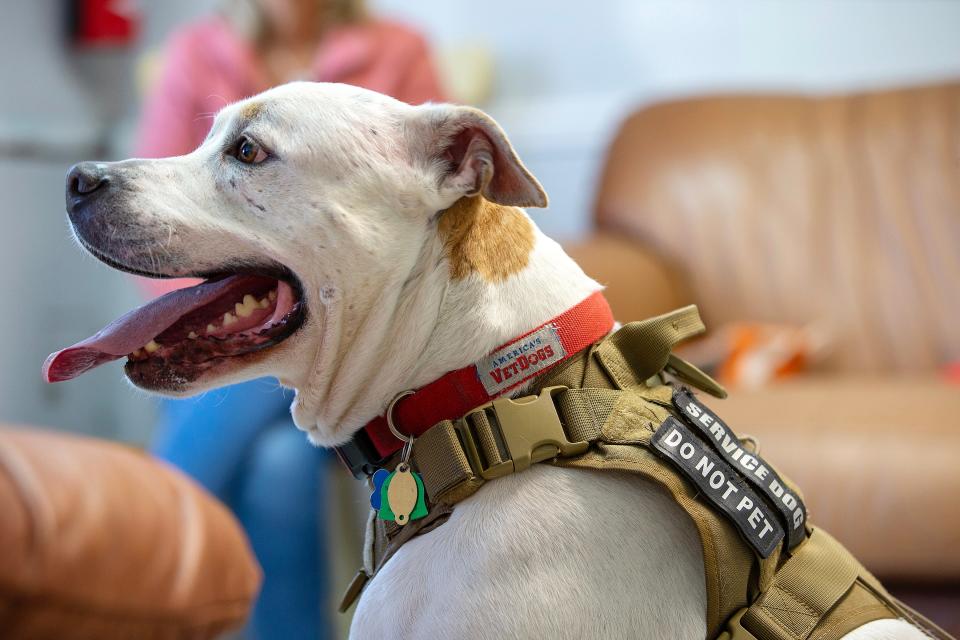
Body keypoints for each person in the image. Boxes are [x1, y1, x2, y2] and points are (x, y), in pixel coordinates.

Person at [136, 1, 445, 637]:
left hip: (362, 346)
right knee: (278, 462)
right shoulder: (199, 51)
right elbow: (154, 211)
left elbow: (439, 211)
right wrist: (236, 310)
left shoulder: (397, 48)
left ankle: (130, 559)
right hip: (221, 318)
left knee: (306, 342)